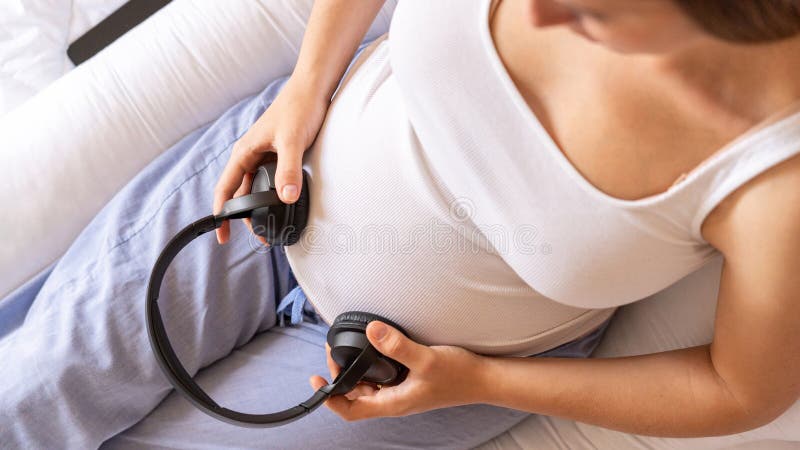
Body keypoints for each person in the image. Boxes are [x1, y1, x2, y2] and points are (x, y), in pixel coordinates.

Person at [1, 0, 799, 448]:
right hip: (280, 185)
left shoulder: (778, 182)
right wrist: (304, 91)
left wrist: (478, 382)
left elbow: (739, 388)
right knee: (30, 394)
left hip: (423, 376)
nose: (543, 11)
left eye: (593, 10)